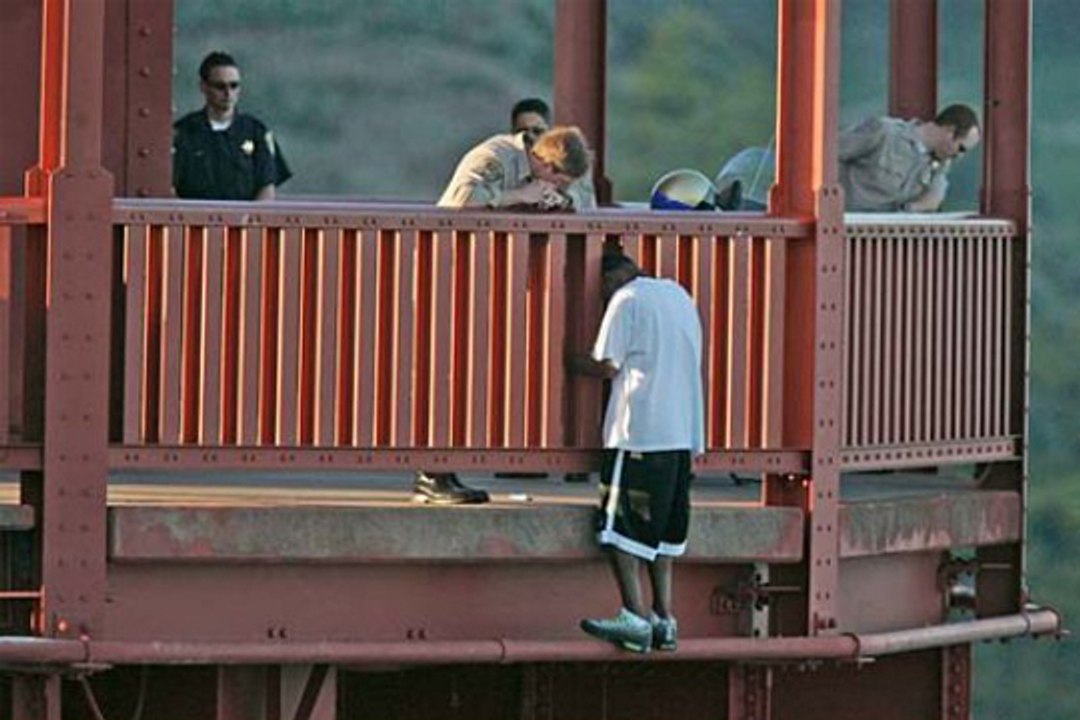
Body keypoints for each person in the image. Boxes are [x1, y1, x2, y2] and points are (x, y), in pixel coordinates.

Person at [567, 252, 705, 653]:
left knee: (619, 531)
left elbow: (607, 365)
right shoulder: (678, 294)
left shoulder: (626, 300)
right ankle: (664, 618)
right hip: (682, 433)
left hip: (639, 431)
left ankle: (634, 617)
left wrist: (567, 360)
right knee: (662, 536)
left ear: (611, 278)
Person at [173, 51, 292, 201]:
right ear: (203, 87)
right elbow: (170, 187)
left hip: (244, 221)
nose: (228, 93)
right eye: (220, 86)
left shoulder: (256, 132)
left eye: (234, 85)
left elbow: (267, 187)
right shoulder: (184, 132)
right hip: (196, 221)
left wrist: (250, 221)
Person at [838, 103, 980, 212]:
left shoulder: (939, 164)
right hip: (845, 223)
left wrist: (914, 208)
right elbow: (829, 155)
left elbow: (933, 199)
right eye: (961, 148)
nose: (959, 156)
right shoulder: (885, 132)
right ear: (950, 131)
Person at [438, 125, 595, 211]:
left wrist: (564, 201)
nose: (559, 187)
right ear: (547, 166)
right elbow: (462, 199)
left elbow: (588, 204)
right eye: (560, 182)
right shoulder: (493, 158)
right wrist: (520, 195)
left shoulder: (562, 168)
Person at [509, 98, 598, 212]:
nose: (530, 137)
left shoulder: (570, 156)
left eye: (537, 131)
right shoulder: (507, 159)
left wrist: (564, 199)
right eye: (523, 132)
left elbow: (585, 198)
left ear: (549, 131)